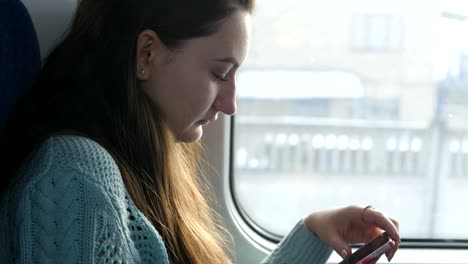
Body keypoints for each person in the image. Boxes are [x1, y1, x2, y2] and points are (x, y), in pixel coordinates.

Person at [0, 0, 401, 263]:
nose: (230, 104)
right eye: (219, 74)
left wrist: (313, 232)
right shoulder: (75, 180)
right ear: (147, 54)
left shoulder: (135, 167)